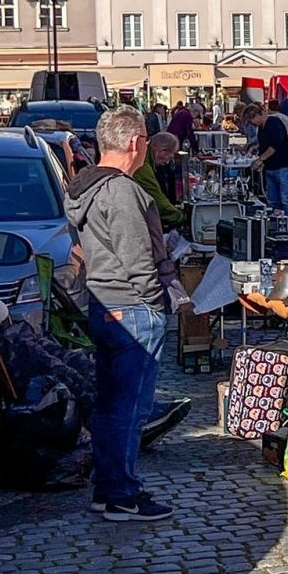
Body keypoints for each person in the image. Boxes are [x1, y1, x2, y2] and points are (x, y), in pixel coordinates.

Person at [64, 106, 187, 522]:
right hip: (130, 306)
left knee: (111, 404)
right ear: (137, 144)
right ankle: (121, 494)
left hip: (103, 302)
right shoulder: (121, 191)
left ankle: (109, 487)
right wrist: (156, 303)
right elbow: (137, 259)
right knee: (129, 408)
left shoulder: (86, 187)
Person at [254, 98, 288, 216]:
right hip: (271, 166)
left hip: (283, 165)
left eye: (252, 119)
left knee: (284, 199)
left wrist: (260, 159)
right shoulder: (262, 127)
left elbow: (275, 145)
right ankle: (276, 224)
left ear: (258, 115)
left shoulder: (275, 122)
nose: (252, 123)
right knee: (273, 200)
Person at [133, 132, 184, 230]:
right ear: (163, 151)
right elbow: (157, 198)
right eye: (170, 156)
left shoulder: (144, 159)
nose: (168, 161)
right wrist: (179, 216)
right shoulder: (143, 166)